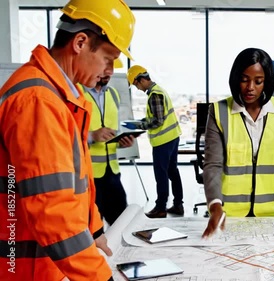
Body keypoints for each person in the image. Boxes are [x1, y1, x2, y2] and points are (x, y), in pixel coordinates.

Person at [0, 0, 135, 280]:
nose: (109, 71)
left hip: (46, 260)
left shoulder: (62, 95)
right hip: (24, 267)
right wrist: (99, 277)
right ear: (81, 42)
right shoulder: (38, 100)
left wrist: (95, 229)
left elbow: (76, 182)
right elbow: (53, 208)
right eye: (108, 59)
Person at [202, 48, 274, 238]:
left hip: (269, 217)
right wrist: (215, 205)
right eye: (244, 79)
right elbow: (213, 165)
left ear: (267, 82)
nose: (250, 87)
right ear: (235, 79)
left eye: (258, 81)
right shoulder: (218, 112)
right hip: (229, 216)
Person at [125, 65, 184, 218]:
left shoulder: (154, 95)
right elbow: (157, 117)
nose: (137, 88)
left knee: (161, 174)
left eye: (136, 84)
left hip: (163, 141)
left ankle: (161, 208)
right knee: (172, 171)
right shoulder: (159, 90)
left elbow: (157, 121)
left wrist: (139, 126)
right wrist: (140, 122)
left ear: (141, 79)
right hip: (172, 137)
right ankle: (178, 205)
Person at [80, 59, 134, 225]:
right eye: (105, 66)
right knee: (92, 228)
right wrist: (91, 136)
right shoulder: (77, 93)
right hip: (87, 176)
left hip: (112, 172)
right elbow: (64, 134)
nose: (109, 72)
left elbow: (112, 131)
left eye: (112, 68)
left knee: (120, 225)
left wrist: (121, 141)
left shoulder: (113, 95)